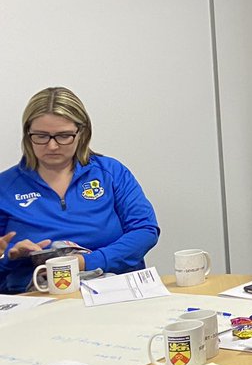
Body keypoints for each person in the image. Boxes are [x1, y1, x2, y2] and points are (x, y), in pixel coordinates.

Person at [0, 87, 159, 294]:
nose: (52, 146)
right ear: (27, 134)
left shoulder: (110, 172)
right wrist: (9, 259)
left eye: (64, 136)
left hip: (113, 289)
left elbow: (145, 230)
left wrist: (86, 262)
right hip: (38, 296)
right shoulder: (6, 186)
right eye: (41, 136)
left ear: (81, 134)